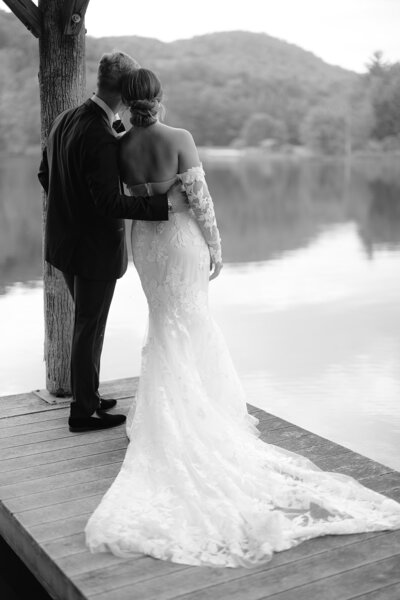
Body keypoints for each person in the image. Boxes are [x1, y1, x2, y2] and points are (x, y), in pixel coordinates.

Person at [85, 68, 400, 568]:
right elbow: (200, 201)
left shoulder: (119, 145)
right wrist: (215, 247)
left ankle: (173, 409)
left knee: (164, 323)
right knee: (191, 322)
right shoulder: (180, 137)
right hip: (180, 239)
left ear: (126, 100)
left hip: (145, 242)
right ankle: (200, 410)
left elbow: (124, 199)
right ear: (159, 98)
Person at [38, 53, 186, 433]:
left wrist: (70, 208)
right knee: (89, 326)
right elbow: (107, 202)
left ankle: (89, 394)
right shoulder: (101, 136)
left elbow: (45, 174)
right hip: (92, 249)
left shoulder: (65, 119)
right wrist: (163, 204)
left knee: (89, 324)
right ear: (124, 89)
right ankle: (82, 412)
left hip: (63, 244)